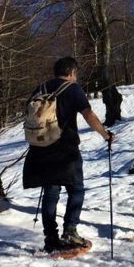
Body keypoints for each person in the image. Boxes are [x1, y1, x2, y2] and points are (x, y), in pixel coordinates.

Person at [23, 57, 113, 252]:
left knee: (51, 193)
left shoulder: (41, 88)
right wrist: (105, 135)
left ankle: (51, 238)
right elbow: (89, 115)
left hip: (41, 149)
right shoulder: (72, 88)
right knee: (76, 189)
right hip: (66, 150)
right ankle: (70, 230)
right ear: (72, 72)